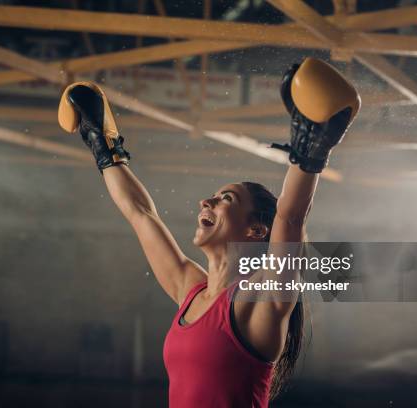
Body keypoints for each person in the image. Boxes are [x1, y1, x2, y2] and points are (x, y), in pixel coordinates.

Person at [58, 57, 360, 407]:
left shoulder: (258, 302)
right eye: (214, 197)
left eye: (225, 199)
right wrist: (104, 147)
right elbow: (140, 214)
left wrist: (310, 153)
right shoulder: (191, 289)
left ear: (256, 230)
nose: (207, 201)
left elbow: (290, 218)